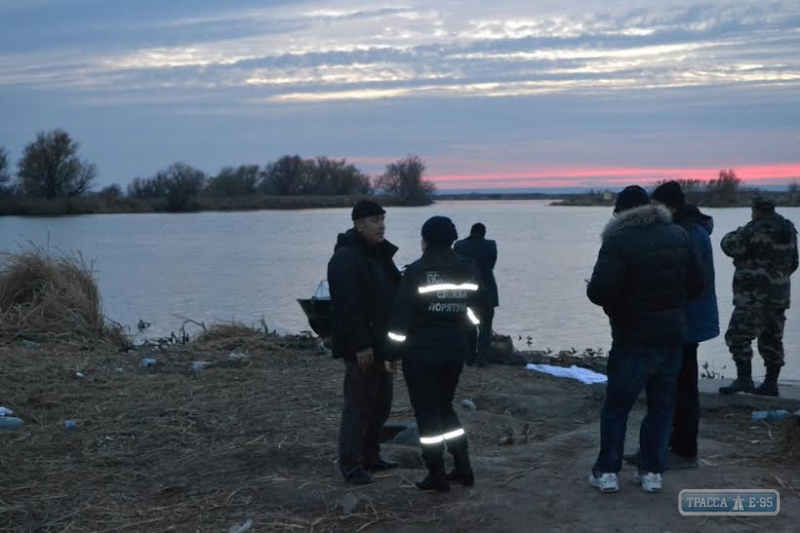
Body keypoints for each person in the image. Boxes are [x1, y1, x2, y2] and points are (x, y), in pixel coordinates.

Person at [586, 186, 703, 494]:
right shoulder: (679, 234)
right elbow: (697, 285)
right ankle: (652, 472)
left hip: (632, 338)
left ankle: (607, 472)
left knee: (616, 407)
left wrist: (624, 304)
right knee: (662, 407)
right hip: (672, 338)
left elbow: (599, 291)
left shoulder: (618, 240)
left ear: (622, 212)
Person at [624, 181, 720, 470]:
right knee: (678, 384)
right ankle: (671, 446)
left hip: (685, 320)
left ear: (669, 205)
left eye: (656, 204)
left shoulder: (686, 233)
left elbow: (682, 280)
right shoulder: (693, 229)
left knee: (680, 386)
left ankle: (681, 450)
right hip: (689, 318)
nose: (652, 209)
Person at [387, 216, 483, 492]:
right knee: (445, 406)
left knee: (427, 413)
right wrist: (472, 347)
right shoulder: (469, 269)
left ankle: (437, 474)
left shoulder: (417, 271)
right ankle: (464, 468)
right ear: (452, 239)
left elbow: (400, 317)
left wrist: (392, 353)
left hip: (422, 353)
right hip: (454, 350)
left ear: (425, 241)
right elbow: (476, 314)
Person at [327, 199, 402, 485]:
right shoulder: (345, 258)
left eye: (382, 218)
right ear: (358, 225)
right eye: (374, 220)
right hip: (363, 348)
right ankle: (351, 464)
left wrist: (394, 349)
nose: (381, 225)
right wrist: (361, 345)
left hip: (382, 346)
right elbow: (347, 307)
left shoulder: (381, 255)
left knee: (381, 404)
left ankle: (371, 456)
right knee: (358, 406)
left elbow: (392, 301)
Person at [719, 196, 798, 397]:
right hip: (779, 295)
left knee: (737, 335)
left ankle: (744, 379)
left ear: (756, 210)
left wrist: (738, 231)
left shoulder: (753, 229)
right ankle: (771, 383)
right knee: (772, 338)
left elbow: (729, 246)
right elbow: (794, 262)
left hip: (753, 294)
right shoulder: (788, 229)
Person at [454, 223, 499, 367]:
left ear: (471, 231)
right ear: (484, 233)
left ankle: (470, 357)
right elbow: (492, 265)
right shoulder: (491, 245)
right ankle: (483, 359)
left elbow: (457, 266)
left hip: (467, 290)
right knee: (485, 326)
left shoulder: (459, 246)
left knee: (468, 324)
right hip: (487, 290)